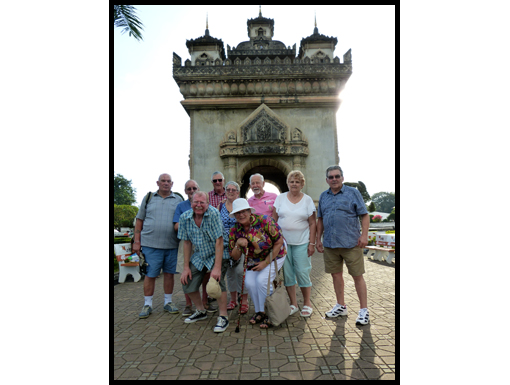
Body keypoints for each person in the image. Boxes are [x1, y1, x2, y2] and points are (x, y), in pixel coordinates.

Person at [316, 166, 371, 325]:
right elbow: (320, 220)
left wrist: (364, 235)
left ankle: (363, 310)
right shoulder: (323, 196)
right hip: (330, 245)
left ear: (342, 178)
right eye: (331, 177)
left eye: (337, 176)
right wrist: (318, 240)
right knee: (336, 275)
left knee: (357, 276)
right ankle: (341, 306)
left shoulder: (353, 193)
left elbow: (364, 215)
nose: (334, 179)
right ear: (327, 180)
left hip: (351, 243)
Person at [229, 198, 286, 329]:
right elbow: (235, 256)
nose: (241, 215)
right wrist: (237, 244)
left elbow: (279, 241)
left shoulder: (265, 220)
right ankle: (260, 311)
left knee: (262, 281)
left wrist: (265, 263)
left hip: (275, 253)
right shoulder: (235, 230)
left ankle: (273, 313)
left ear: (250, 211)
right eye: (238, 213)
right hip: (253, 258)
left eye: (244, 211)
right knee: (249, 282)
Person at [177, 191, 230, 333]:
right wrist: (186, 267)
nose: (198, 205)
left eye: (202, 202)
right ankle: (201, 311)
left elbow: (219, 240)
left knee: (216, 281)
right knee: (187, 280)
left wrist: (217, 268)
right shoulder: (184, 218)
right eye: (196, 202)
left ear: (208, 203)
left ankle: (223, 316)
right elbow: (187, 243)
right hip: (200, 254)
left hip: (218, 252)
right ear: (191, 202)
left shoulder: (213, 214)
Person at [134, 173, 183, 319]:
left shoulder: (178, 199)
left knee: (169, 275)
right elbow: (139, 219)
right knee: (150, 275)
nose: (166, 183)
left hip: (171, 244)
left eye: (168, 181)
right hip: (150, 245)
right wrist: (137, 241)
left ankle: (168, 302)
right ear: (158, 183)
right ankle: (147, 304)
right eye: (163, 181)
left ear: (172, 184)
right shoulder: (148, 198)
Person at [272, 170, 316, 317]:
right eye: (292, 181)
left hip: (302, 242)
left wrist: (312, 243)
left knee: (303, 273)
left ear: (302, 184)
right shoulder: (280, 198)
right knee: (288, 275)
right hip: (283, 244)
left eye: (297, 182)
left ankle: (307, 303)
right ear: (288, 183)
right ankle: (293, 304)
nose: (294, 184)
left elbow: (312, 223)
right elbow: (273, 220)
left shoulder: (307, 200)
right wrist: (273, 241)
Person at [173, 180, 216, 317]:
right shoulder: (183, 211)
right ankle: (192, 306)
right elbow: (181, 234)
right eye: (189, 189)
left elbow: (218, 238)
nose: (192, 191)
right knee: (187, 277)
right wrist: (186, 267)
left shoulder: (211, 210)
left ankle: (210, 305)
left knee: (210, 278)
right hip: (192, 246)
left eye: (194, 188)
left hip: (209, 248)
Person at [217, 181, 249, 314]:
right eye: (228, 189)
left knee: (241, 271)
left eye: (233, 189)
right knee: (230, 273)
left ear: (237, 192)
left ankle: (245, 300)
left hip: (240, 241)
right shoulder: (220, 206)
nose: (230, 191)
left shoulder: (242, 204)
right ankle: (233, 299)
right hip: (225, 243)